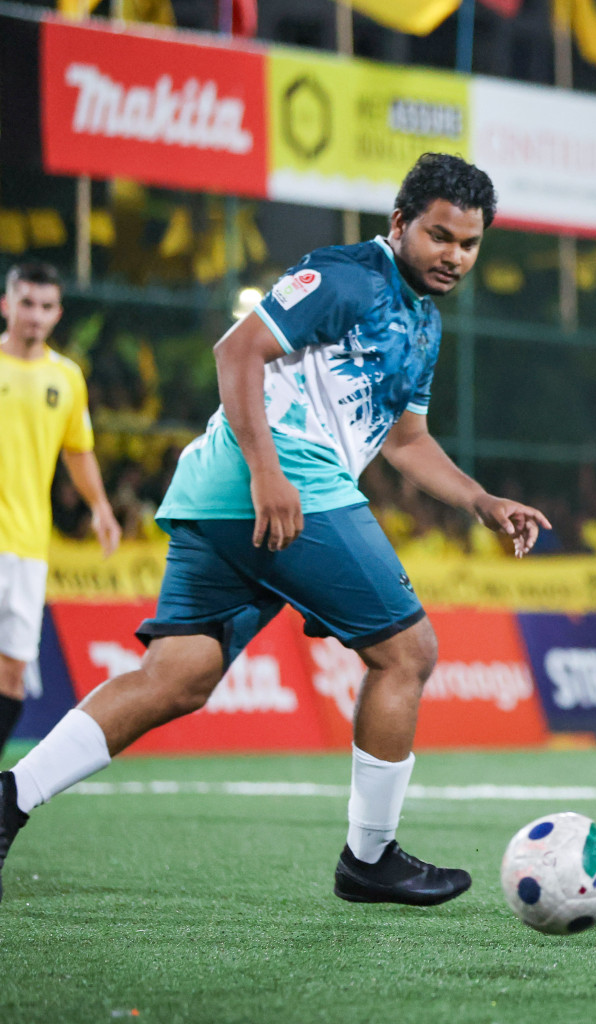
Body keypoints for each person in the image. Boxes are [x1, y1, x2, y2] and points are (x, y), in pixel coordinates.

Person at [0, 154, 549, 906]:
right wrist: (267, 471)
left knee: (176, 678)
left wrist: (482, 500)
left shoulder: (424, 322)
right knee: (408, 654)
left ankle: (10, 798)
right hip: (280, 480)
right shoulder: (348, 275)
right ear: (400, 225)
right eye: (439, 236)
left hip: (222, 495)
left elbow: (407, 440)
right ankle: (370, 857)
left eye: (469, 243)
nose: (454, 255)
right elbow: (238, 351)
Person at [0, 263, 122, 756]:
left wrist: (101, 507)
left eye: (46, 306)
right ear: (7, 304)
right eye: (26, 303)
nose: (35, 315)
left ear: (57, 314)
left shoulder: (67, 378)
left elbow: (78, 450)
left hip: (28, 547)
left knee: (11, 674)